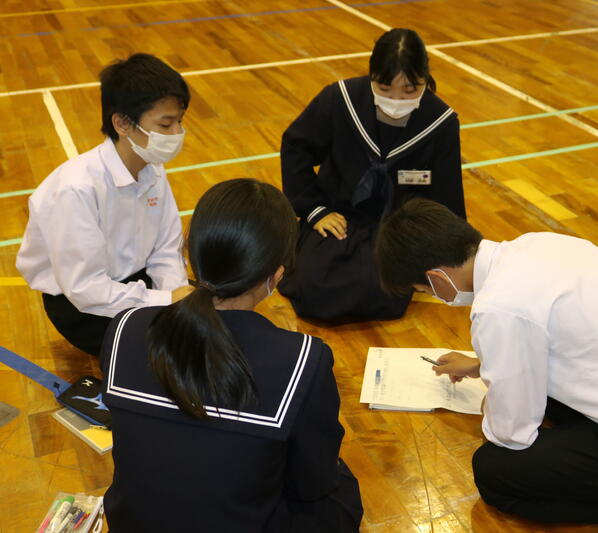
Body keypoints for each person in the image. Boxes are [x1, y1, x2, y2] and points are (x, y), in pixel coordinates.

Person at [375, 198, 598, 533]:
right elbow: (561, 333)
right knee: (543, 403)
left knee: (495, 471)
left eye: (424, 291)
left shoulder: (498, 307)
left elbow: (511, 433)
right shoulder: (538, 243)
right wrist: (483, 365)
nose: (433, 297)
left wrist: (493, 401)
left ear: (437, 277)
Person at [100, 179, 363, 532]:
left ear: (189, 253)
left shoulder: (124, 328)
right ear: (276, 276)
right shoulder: (302, 359)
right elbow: (313, 481)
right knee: (340, 490)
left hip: (132, 524)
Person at [279, 28, 466, 323]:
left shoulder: (440, 122)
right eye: (384, 88)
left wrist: (444, 252)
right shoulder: (340, 99)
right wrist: (314, 210)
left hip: (397, 228)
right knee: (315, 286)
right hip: (338, 217)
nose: (396, 100)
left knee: (382, 289)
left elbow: (445, 191)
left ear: (425, 79)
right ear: (371, 76)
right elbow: (296, 148)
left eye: (410, 90)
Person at [16, 53, 192, 356]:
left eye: (179, 122)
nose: (177, 134)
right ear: (122, 123)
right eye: (165, 124)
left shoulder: (152, 168)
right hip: (81, 306)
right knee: (168, 354)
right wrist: (166, 302)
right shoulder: (76, 189)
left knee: (204, 322)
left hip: (134, 283)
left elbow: (165, 249)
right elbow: (85, 288)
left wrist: (175, 297)